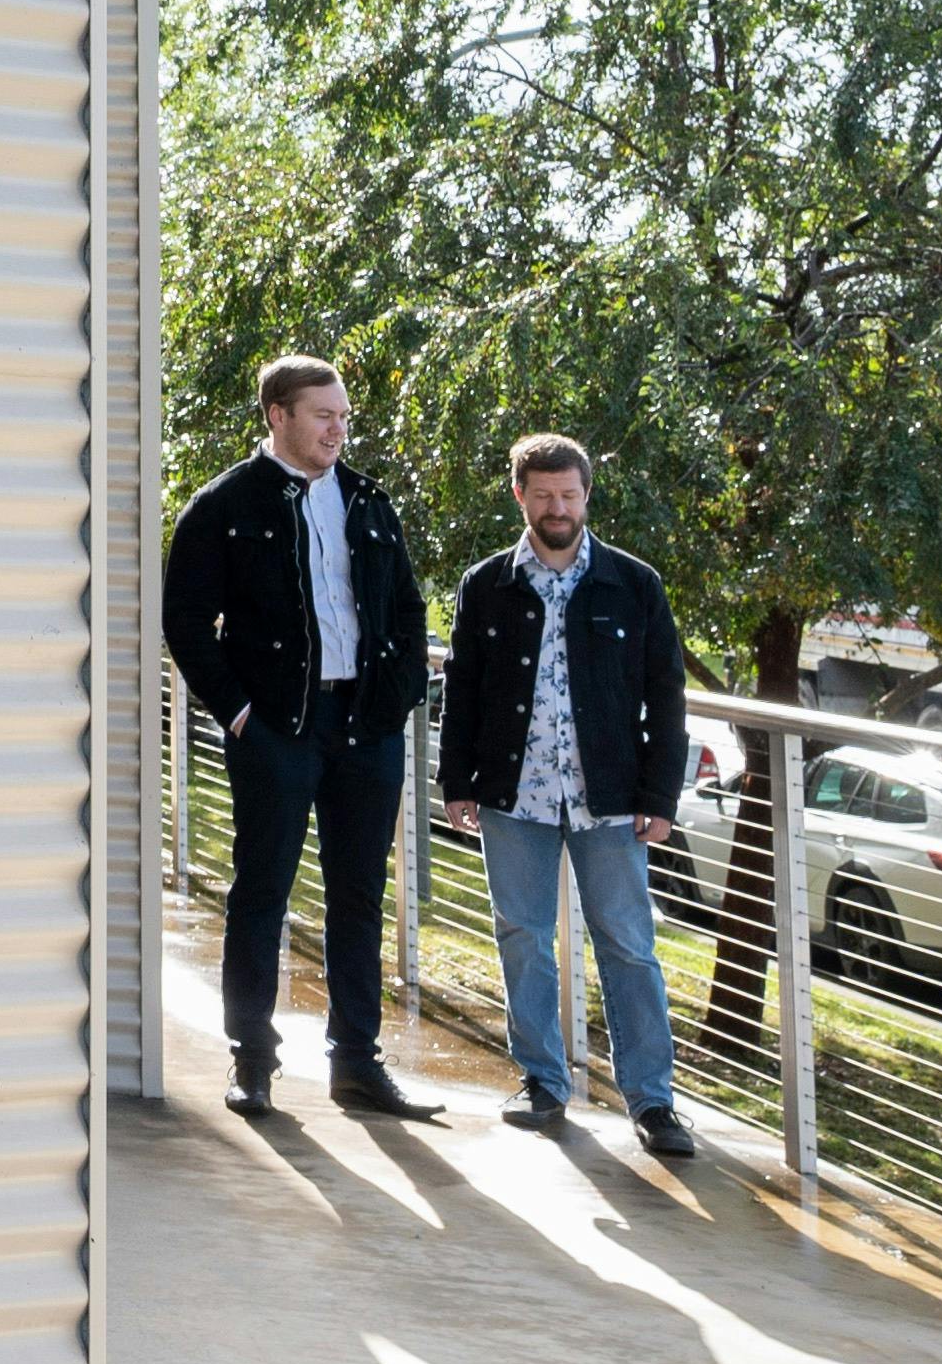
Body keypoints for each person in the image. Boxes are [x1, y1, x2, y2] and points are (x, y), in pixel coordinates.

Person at [161, 355, 432, 1118]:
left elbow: (408, 612)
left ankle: (357, 1064)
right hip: (278, 727)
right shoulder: (224, 506)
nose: (338, 429)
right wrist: (240, 711)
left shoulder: (370, 502)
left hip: (367, 728)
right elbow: (185, 621)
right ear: (278, 415)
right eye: (323, 415)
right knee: (262, 893)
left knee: (359, 896)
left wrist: (398, 699)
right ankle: (252, 1061)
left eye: (344, 416)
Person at [438, 435, 698, 1158]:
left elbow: (666, 697)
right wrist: (456, 782)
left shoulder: (633, 583)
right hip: (512, 794)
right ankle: (543, 1082)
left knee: (629, 946)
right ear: (519, 496)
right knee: (523, 937)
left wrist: (661, 796)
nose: (559, 508)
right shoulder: (486, 582)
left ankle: (653, 1102)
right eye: (544, 495)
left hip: (610, 799)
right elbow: (463, 690)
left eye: (570, 495)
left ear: (588, 496)